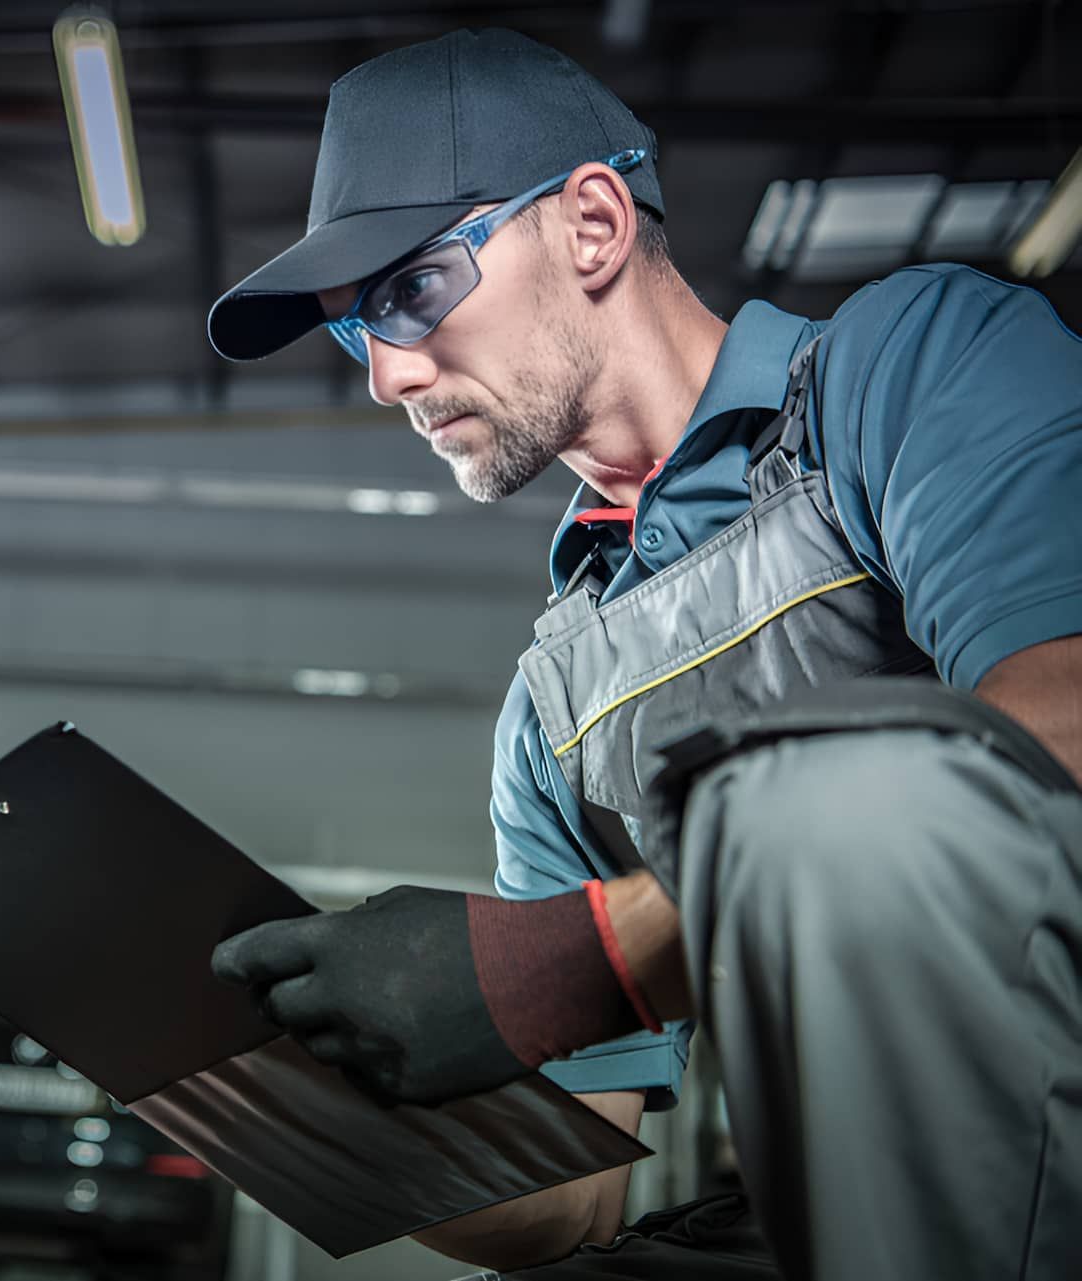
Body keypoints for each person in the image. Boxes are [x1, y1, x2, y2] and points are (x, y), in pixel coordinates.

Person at [203, 28, 1082, 1280]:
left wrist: (578, 956)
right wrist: (253, 1098)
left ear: (595, 225)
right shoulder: (555, 711)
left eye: (410, 291)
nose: (391, 376)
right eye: (357, 333)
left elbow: (1056, 734)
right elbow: (575, 1197)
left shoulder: (910, 369)